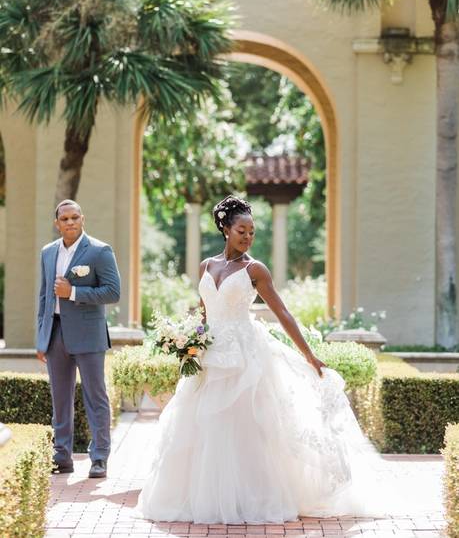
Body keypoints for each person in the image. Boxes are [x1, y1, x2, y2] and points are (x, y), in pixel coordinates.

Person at [137, 195, 392, 523]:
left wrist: (310, 355)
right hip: (209, 356)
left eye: (252, 232)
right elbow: (204, 312)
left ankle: (250, 499)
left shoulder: (255, 269)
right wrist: (188, 341)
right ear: (225, 229)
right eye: (241, 230)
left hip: (245, 357)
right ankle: (206, 498)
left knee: (246, 428)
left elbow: (282, 312)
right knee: (203, 427)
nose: (247, 237)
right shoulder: (206, 266)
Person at [36, 199, 121, 478]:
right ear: (57, 223)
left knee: (95, 396)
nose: (70, 223)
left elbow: (112, 292)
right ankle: (62, 456)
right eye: (65, 219)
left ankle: (99, 458)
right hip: (56, 332)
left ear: (82, 219)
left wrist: (73, 292)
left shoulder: (99, 251)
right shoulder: (48, 252)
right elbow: (45, 296)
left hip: (89, 334)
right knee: (60, 398)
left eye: (75, 218)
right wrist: (42, 338)